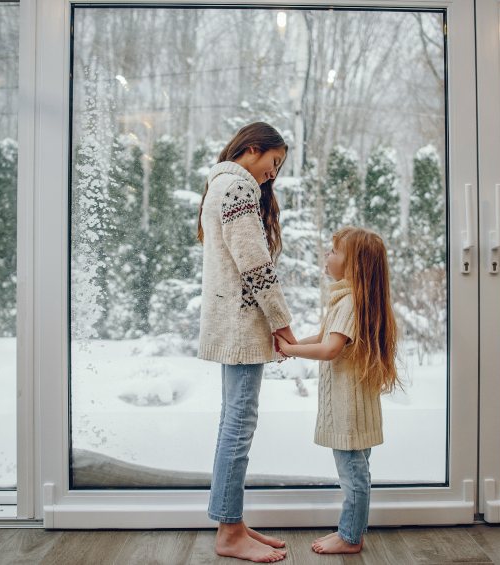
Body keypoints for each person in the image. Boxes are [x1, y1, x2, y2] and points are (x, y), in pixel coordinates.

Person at [197, 122, 297, 563]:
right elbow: (254, 265)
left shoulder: (218, 185)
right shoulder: (238, 190)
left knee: (232, 422)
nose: (272, 175)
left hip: (228, 322)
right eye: (273, 163)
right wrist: (281, 323)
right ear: (252, 149)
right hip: (241, 324)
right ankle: (229, 531)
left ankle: (231, 521)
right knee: (239, 424)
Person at [275, 226, 399, 555]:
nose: (326, 257)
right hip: (356, 407)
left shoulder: (350, 304)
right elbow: (323, 335)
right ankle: (349, 531)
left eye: (332, 252)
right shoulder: (349, 301)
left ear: (353, 264)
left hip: (348, 410)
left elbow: (330, 349)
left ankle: (350, 536)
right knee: (357, 471)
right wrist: (290, 345)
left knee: (353, 475)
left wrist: (291, 351)